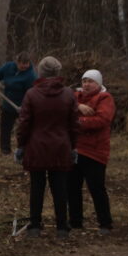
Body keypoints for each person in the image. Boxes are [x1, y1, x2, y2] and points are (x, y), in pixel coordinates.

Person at [15, 56, 80, 238]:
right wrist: (74, 147)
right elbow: (74, 124)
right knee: (60, 187)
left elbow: (24, 123)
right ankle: (61, 226)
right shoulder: (68, 94)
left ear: (40, 72)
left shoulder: (32, 94)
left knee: (37, 187)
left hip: (36, 147)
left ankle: (35, 225)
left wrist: (21, 146)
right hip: (60, 146)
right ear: (58, 72)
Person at [70, 69, 115, 235]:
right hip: (75, 149)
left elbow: (101, 120)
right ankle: (75, 222)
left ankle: (105, 223)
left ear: (98, 83)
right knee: (72, 187)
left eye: (91, 81)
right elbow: (63, 108)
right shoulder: (75, 97)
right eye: (84, 81)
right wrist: (78, 107)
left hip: (95, 151)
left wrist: (77, 121)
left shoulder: (105, 98)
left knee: (96, 188)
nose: (86, 84)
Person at [0, 53, 36, 155]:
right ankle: (5, 149)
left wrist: (25, 106)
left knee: (25, 129)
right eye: (22, 64)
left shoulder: (31, 76)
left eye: (27, 64)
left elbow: (32, 93)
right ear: (17, 62)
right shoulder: (8, 67)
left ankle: (24, 149)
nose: (24, 66)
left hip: (23, 107)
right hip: (8, 104)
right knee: (6, 127)